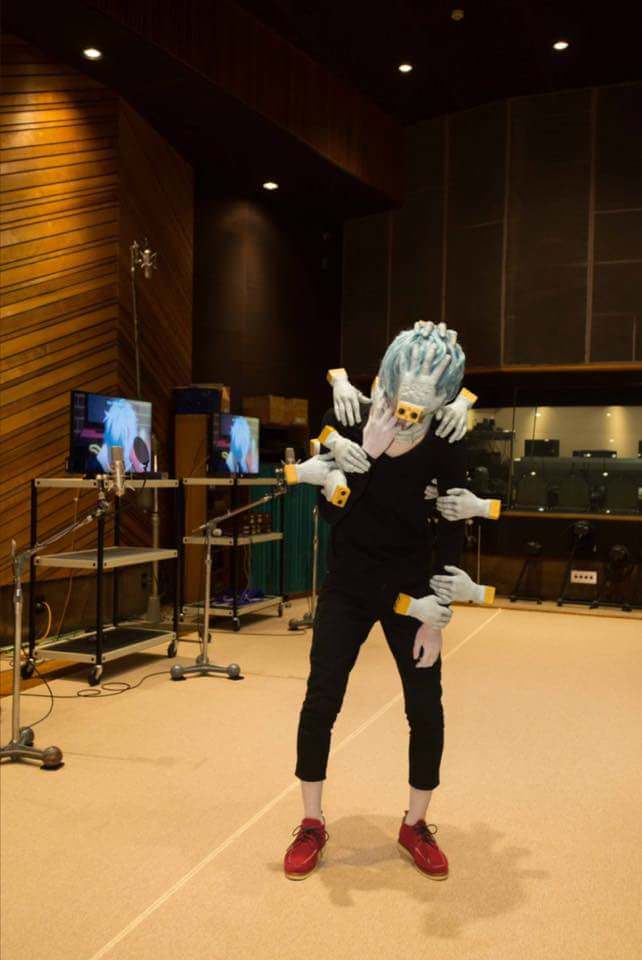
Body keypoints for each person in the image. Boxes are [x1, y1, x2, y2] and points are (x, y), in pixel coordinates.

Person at [283, 325, 467, 882]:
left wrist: (437, 618)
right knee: (322, 699)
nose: (408, 413)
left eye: (422, 406)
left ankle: (416, 823)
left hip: (412, 589)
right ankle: (311, 822)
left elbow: (451, 529)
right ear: (386, 379)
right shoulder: (347, 421)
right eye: (401, 398)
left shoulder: (445, 439)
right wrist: (368, 451)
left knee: (425, 706)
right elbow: (330, 513)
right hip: (349, 582)